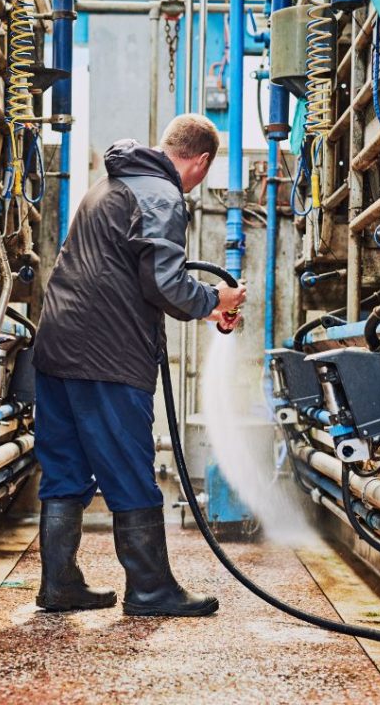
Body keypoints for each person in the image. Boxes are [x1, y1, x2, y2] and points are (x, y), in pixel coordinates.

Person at [32, 114, 248, 617]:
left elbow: (138, 275)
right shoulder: (162, 195)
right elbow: (165, 285)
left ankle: (59, 584)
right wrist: (217, 295)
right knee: (130, 468)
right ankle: (151, 589)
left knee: (63, 470)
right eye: (203, 174)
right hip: (106, 354)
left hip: (57, 346)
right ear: (200, 160)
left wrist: (206, 305)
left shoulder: (107, 185)